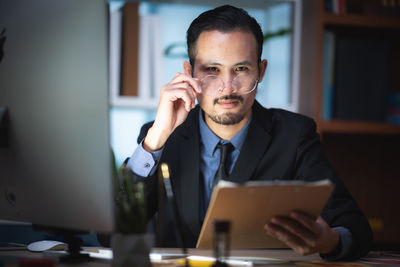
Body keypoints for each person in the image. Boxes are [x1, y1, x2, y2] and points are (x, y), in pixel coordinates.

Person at [126, 5, 372, 260]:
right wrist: (154, 142)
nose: (227, 87)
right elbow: (110, 233)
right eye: (212, 70)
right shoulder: (160, 137)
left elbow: (356, 229)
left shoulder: (295, 135)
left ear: (261, 70)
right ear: (189, 74)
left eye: (241, 69)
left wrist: (330, 240)